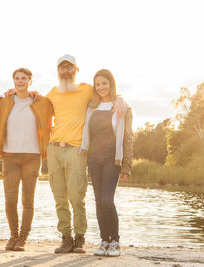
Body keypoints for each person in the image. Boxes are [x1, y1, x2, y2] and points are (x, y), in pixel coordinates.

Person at [46, 55, 126, 254]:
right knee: (59, 198)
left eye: (69, 67)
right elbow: (36, 105)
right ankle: (66, 238)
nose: (65, 71)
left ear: (76, 70)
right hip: (54, 149)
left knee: (76, 197)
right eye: (62, 68)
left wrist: (121, 97)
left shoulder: (87, 90)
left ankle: (80, 238)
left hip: (77, 150)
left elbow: (107, 91)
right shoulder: (52, 92)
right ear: (58, 71)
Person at [0, 68, 53, 251]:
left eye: (24, 78)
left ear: (30, 81)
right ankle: (13, 235)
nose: (20, 81)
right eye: (17, 79)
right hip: (10, 156)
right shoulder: (4, 102)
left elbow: (55, 115)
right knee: (10, 200)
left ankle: (23, 238)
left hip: (32, 156)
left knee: (28, 201)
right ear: (13, 82)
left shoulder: (41, 102)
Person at [80, 69, 133, 257]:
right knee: (98, 201)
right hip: (94, 159)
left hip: (112, 159)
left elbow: (127, 138)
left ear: (111, 83)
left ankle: (115, 241)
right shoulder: (92, 106)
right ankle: (104, 240)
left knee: (107, 200)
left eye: (104, 83)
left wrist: (127, 165)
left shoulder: (122, 106)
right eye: (98, 84)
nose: (101, 87)